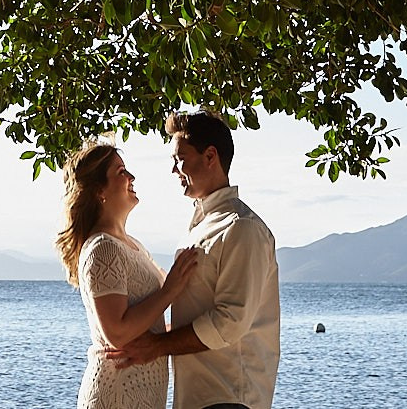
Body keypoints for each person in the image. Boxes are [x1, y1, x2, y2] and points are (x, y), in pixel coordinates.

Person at [108, 111, 281, 409]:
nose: (174, 170)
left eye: (180, 158)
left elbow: (230, 322)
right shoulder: (201, 227)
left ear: (210, 156)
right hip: (197, 399)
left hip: (229, 398)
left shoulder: (241, 227)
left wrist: (157, 347)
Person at [56, 140, 202, 409]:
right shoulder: (103, 248)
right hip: (116, 395)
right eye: (121, 172)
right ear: (100, 190)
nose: (131, 177)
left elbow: (147, 326)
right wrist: (170, 290)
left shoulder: (131, 244)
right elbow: (118, 332)